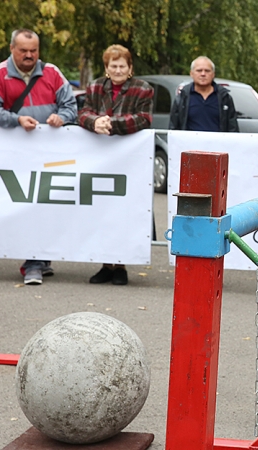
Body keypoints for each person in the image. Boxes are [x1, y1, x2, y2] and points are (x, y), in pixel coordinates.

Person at [0, 28, 77, 285]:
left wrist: (63, 117)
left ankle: (40, 257)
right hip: (15, 156)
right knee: (25, 204)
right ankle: (32, 262)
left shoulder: (52, 73)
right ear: (11, 49)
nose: (29, 55)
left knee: (46, 205)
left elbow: (71, 106)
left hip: (50, 155)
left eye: (33, 50)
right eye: (23, 50)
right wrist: (16, 120)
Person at [77, 44, 154, 286]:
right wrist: (94, 122)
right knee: (101, 211)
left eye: (122, 66)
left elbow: (144, 118)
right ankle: (105, 264)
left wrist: (109, 124)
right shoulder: (95, 86)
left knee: (125, 210)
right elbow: (83, 113)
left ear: (130, 68)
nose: (118, 69)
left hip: (130, 160)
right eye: (113, 66)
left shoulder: (143, 89)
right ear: (107, 68)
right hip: (99, 158)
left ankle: (121, 265)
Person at [169, 56, 238, 132]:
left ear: (213, 74)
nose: (203, 74)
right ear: (191, 74)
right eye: (199, 70)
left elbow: (233, 129)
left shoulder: (225, 98)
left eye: (207, 71)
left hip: (217, 143)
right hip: (190, 143)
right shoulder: (182, 98)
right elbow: (173, 128)